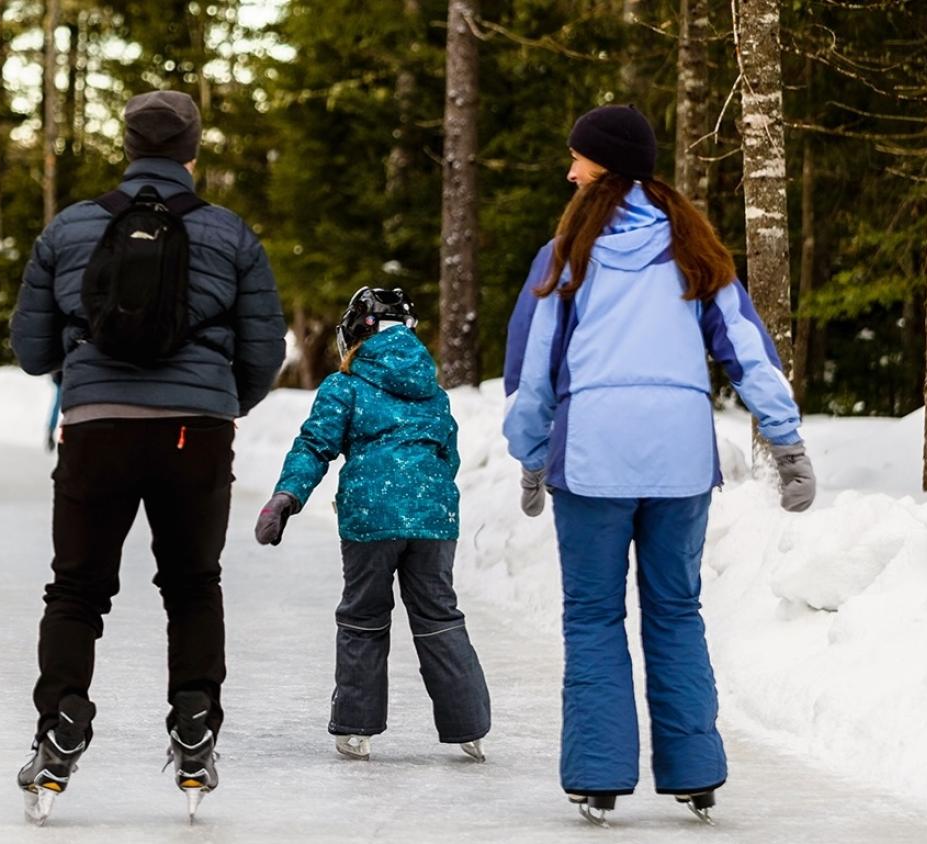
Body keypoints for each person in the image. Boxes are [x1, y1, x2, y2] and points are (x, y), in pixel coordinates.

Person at [503, 105, 815, 826]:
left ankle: (599, 776)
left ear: (603, 165)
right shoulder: (693, 247)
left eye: (578, 157)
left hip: (590, 460)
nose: (569, 169)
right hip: (679, 462)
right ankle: (696, 773)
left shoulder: (566, 253)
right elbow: (748, 349)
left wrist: (530, 453)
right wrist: (786, 441)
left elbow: (534, 371)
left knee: (593, 615)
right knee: (676, 611)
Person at [10, 89, 286, 823]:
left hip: (97, 427)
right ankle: (194, 721)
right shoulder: (231, 235)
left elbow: (33, 350)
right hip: (196, 431)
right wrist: (221, 404)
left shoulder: (70, 229)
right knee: (193, 585)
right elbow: (265, 351)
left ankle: (62, 717)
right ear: (193, 151)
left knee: (76, 590)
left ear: (127, 147)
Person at [255, 287, 491, 763]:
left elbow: (314, 445)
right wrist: (424, 498)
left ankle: (357, 728)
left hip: (372, 519)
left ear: (356, 332)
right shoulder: (433, 391)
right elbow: (448, 452)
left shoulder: (345, 387)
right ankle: (470, 729)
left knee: (363, 617)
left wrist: (287, 495)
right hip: (433, 519)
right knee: (439, 616)